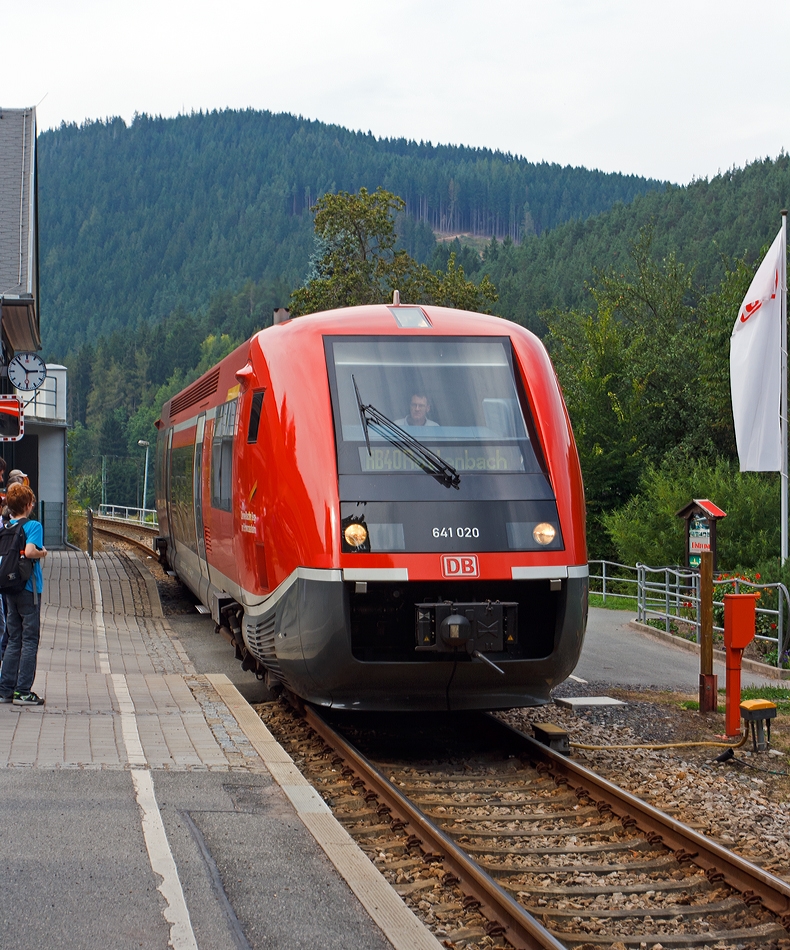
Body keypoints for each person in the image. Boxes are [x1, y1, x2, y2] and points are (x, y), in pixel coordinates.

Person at [0, 484, 47, 706]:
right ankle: (23, 691)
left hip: (9, 589)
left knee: (12, 639)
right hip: (29, 589)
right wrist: (42, 552)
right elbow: (29, 552)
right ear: (28, 505)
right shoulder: (34, 525)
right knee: (30, 640)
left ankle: (5, 689)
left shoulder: (6, 526)